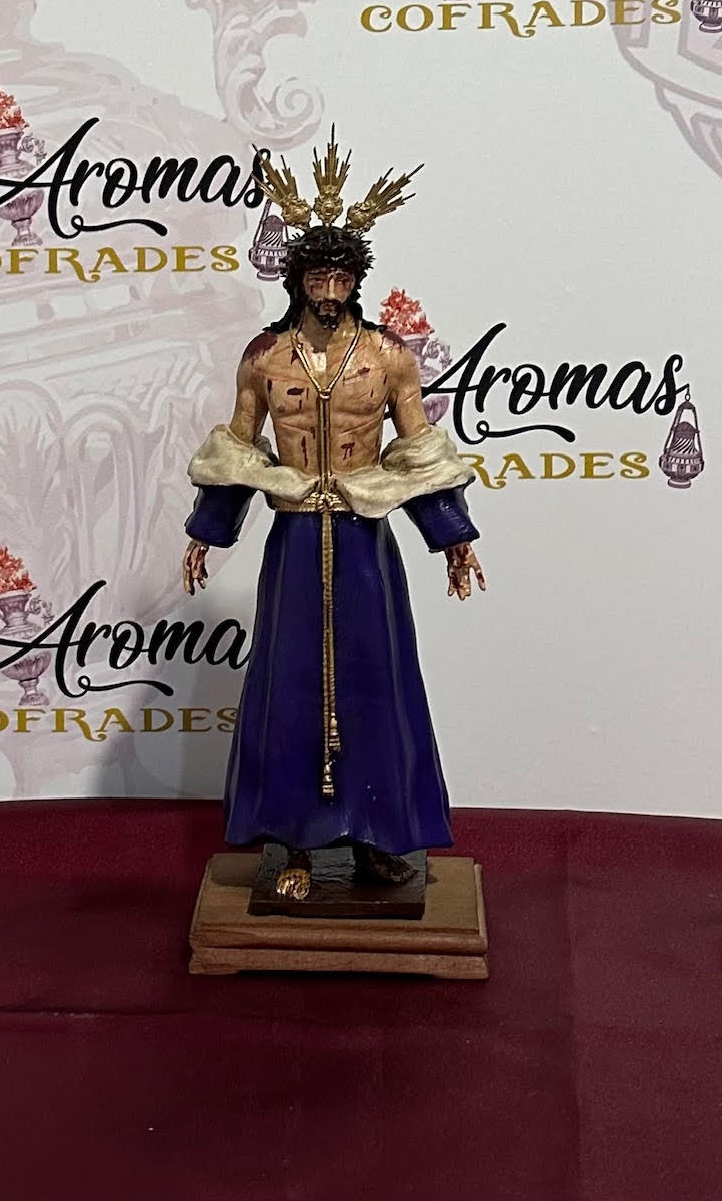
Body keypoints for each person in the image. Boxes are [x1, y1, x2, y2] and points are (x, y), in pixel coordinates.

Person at [181, 134, 485, 900]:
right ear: (296, 279)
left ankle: (381, 838)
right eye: (317, 274)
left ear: (356, 281)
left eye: (341, 276)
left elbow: (419, 451)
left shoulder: (388, 356)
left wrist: (453, 537)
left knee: (378, 681)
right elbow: (237, 450)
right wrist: (206, 531)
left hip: (363, 541)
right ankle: (293, 845)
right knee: (288, 684)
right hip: (293, 541)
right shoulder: (264, 357)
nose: (329, 287)